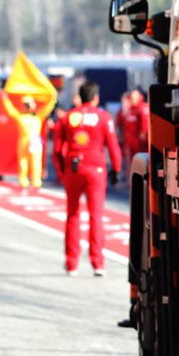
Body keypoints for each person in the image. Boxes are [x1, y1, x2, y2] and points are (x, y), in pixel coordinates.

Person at [52, 81, 121, 276]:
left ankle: (71, 263)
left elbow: (57, 149)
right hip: (96, 169)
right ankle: (97, 263)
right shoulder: (104, 117)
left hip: (73, 168)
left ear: (80, 97)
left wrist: (61, 171)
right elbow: (113, 146)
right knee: (96, 216)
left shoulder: (68, 117)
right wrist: (116, 169)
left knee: (72, 215)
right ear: (96, 97)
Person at [0, 92, 47, 189]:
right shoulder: (20, 116)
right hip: (24, 141)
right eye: (26, 105)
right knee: (23, 162)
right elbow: (11, 110)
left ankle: (36, 181)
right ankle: (23, 180)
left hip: (35, 141)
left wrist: (53, 97)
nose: (27, 107)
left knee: (36, 162)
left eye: (29, 105)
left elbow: (48, 107)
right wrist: (5, 100)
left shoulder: (38, 116)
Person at [116, 89, 149, 184]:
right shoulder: (128, 110)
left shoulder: (143, 108)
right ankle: (131, 180)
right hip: (130, 142)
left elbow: (144, 126)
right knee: (130, 163)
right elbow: (120, 123)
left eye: (134, 97)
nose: (132, 99)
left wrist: (142, 136)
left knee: (141, 163)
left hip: (140, 144)